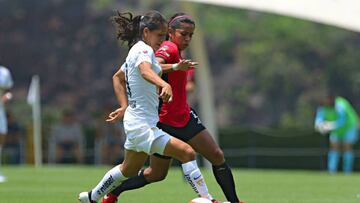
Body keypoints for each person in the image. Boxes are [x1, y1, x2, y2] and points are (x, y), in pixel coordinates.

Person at [102, 13, 243, 203]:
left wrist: (180, 73)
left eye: (190, 35)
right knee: (155, 174)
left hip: (184, 116)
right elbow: (154, 66)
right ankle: (113, 192)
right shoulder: (168, 48)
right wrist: (173, 70)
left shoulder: (178, 53)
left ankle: (232, 201)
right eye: (183, 34)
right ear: (170, 32)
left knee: (216, 156)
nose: (187, 39)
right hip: (165, 121)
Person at [78, 10, 216, 203]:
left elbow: (118, 77)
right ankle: (208, 199)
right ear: (145, 33)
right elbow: (145, 71)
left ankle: (92, 197)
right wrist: (164, 84)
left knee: (128, 169)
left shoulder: (138, 51)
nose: (163, 39)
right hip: (143, 126)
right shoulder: (144, 50)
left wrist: (124, 105)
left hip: (137, 123)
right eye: (160, 35)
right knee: (187, 152)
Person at [315, 94, 359, 174]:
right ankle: (332, 170)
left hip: (349, 127)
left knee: (347, 147)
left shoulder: (340, 105)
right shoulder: (322, 107)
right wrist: (320, 126)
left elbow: (342, 120)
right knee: (334, 147)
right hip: (336, 130)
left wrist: (331, 125)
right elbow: (318, 120)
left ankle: (347, 171)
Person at [0, 65, 13, 182]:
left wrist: (6, 97)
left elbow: (9, 92)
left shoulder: (4, 72)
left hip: (0, 110)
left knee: (1, 137)